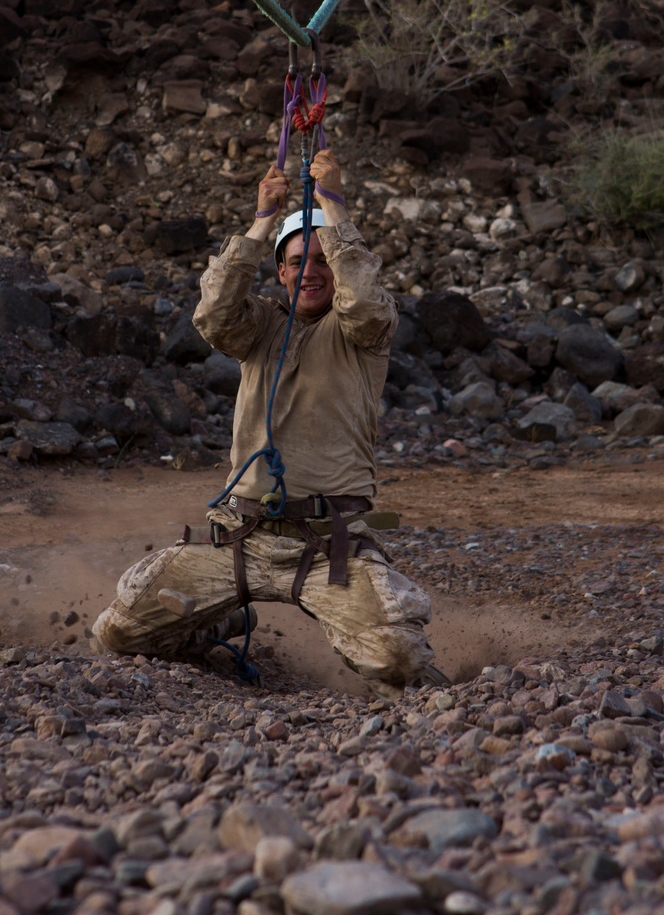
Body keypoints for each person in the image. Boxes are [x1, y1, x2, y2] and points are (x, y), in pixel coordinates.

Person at [92, 149, 440, 695]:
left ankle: (353, 637)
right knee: (118, 632)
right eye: (297, 261)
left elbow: (364, 300)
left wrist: (334, 207)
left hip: (329, 546)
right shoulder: (259, 325)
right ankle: (221, 625)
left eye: (324, 261)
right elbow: (211, 316)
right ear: (280, 271)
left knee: (399, 658)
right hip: (240, 536)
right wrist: (262, 222)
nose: (311, 272)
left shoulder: (364, 331)